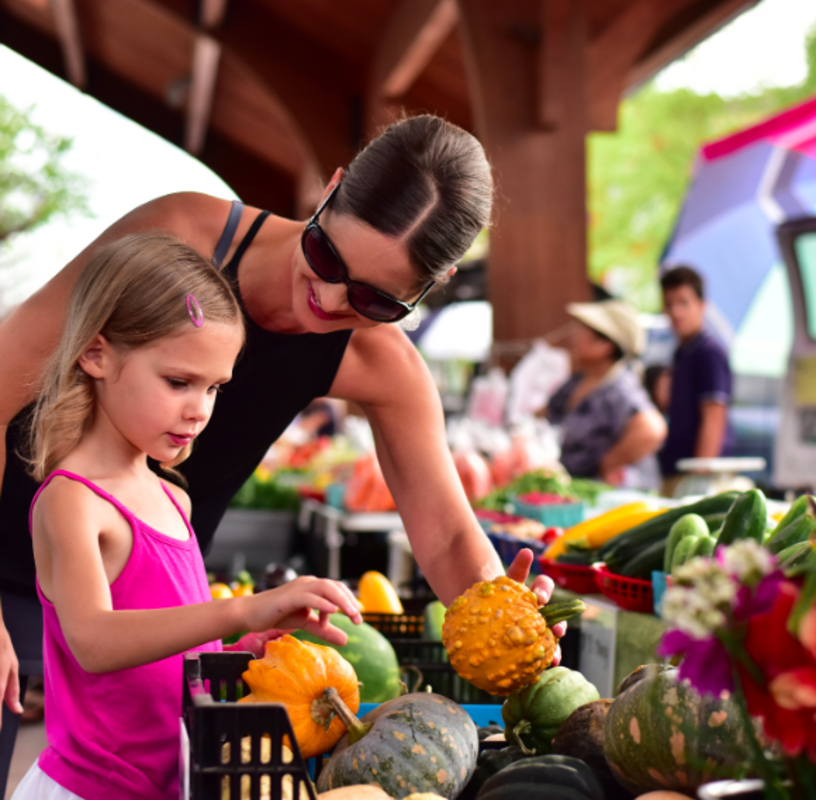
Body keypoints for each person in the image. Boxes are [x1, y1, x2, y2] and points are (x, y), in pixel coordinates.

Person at [0, 115, 561, 781]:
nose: (325, 300)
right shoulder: (180, 236)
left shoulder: (385, 367)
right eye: (327, 257)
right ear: (331, 190)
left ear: (429, 289)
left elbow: (443, 535)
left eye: (373, 300)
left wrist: (506, 624)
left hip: (152, 601)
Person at [10, 234, 362, 800]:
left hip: (169, 782)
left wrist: (240, 649)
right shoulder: (73, 499)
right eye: (178, 382)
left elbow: (166, 650)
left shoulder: (175, 498)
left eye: (214, 387)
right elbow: (94, 641)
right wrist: (242, 609)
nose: (199, 409)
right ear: (97, 355)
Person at [543, 300, 666, 488]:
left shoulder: (619, 388)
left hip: (614, 498)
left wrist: (607, 463)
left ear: (604, 345)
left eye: (583, 331)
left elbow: (652, 429)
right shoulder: (578, 380)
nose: (575, 337)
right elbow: (547, 413)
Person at [657, 266, 734, 495]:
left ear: (702, 305)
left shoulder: (708, 353)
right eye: (669, 304)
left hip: (695, 478)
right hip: (675, 471)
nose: (676, 312)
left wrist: (698, 480)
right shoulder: (681, 352)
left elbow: (714, 416)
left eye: (683, 303)